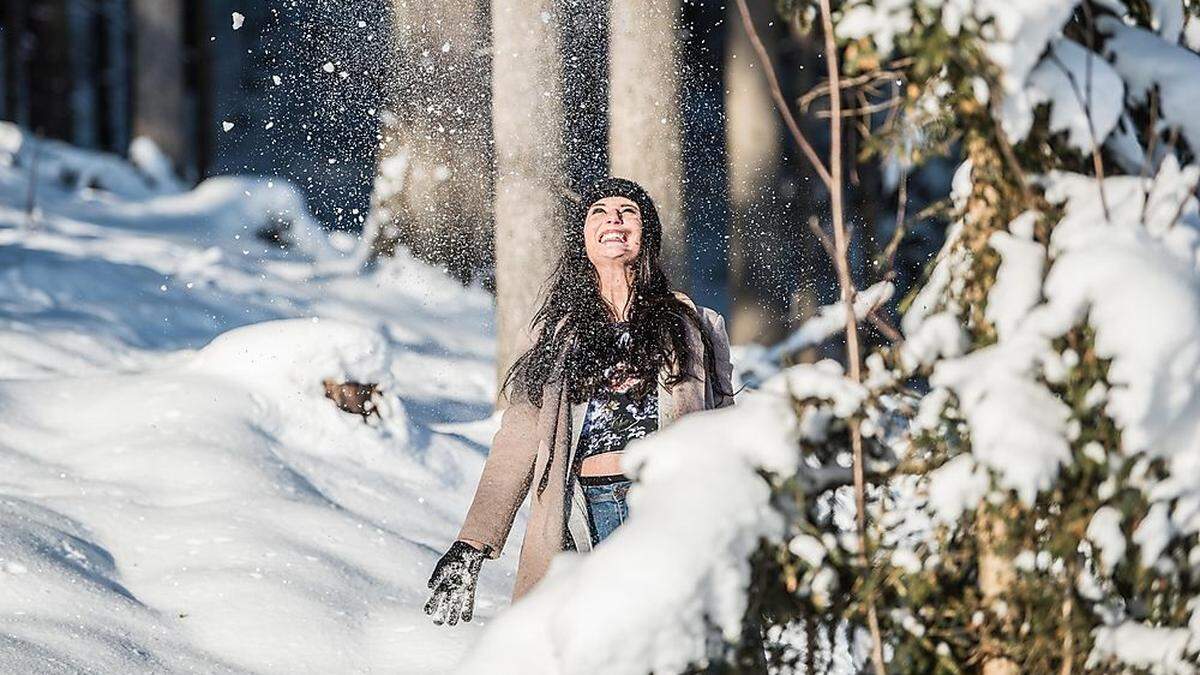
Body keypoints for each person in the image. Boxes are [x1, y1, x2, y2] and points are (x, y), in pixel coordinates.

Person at [424, 177, 735, 626]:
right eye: (599, 212)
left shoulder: (691, 323)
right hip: (582, 515)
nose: (613, 218)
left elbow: (725, 427)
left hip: (667, 505)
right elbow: (518, 439)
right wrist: (472, 543)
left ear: (645, 232)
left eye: (628, 211)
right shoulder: (558, 334)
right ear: (583, 239)